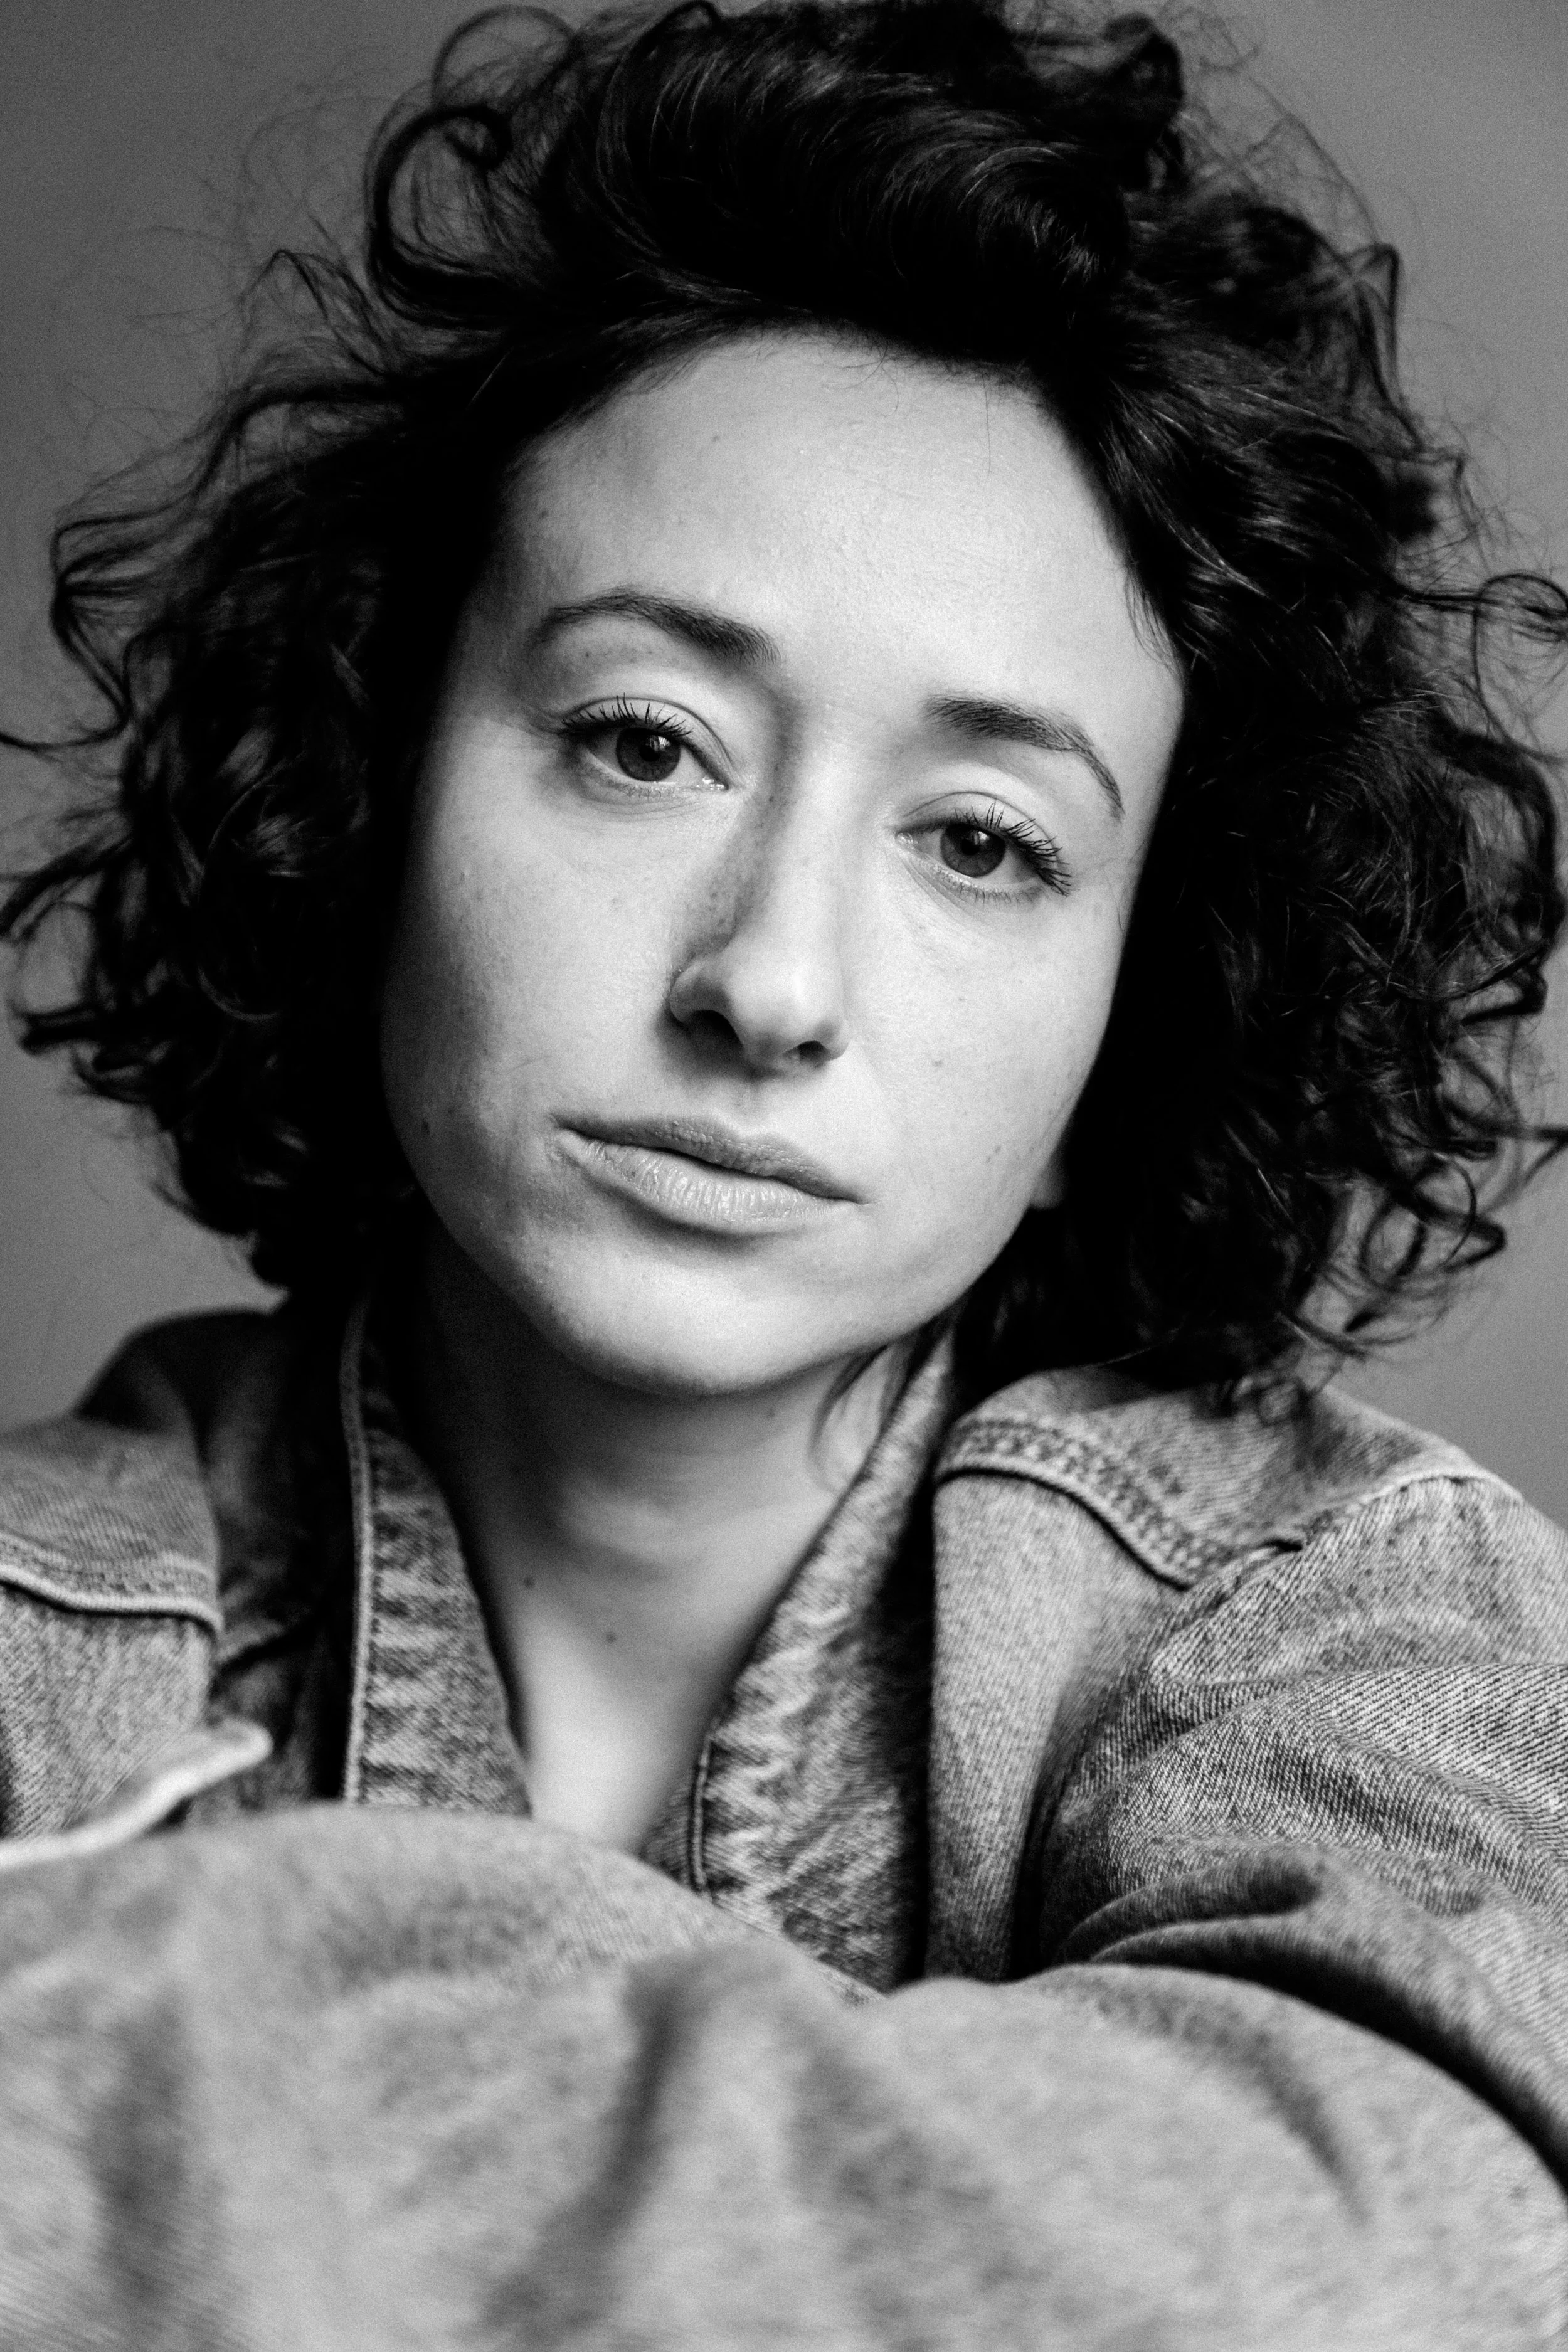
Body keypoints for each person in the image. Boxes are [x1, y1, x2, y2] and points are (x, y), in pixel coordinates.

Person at [1, 0, 1565, 2341]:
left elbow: (1408, 2245)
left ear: (1141, 1007)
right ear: (368, 789)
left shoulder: (1355, 1623)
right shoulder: (42, 1610)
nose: (771, 981)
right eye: (642, 741)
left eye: (979, 840)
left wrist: (154, 1990)